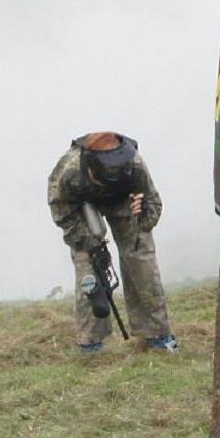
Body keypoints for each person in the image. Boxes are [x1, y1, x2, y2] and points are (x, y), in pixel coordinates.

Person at [46, 131, 176, 353]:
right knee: (88, 270)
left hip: (124, 202)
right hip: (83, 205)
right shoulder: (71, 167)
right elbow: (60, 207)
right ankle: (90, 342)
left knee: (141, 260)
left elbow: (153, 204)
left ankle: (157, 335)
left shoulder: (134, 163)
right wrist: (87, 241)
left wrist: (143, 213)